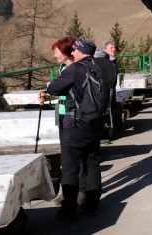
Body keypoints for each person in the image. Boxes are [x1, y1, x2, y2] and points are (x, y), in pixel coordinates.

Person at [46, 37, 104, 221]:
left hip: (75, 125)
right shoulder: (98, 67)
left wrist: (51, 86)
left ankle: (69, 210)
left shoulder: (74, 69)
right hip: (94, 123)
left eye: (74, 50)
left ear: (78, 51)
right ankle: (92, 205)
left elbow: (54, 88)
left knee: (70, 168)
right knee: (92, 164)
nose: (73, 52)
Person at [41, 37, 76, 205]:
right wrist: (47, 93)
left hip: (71, 114)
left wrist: (51, 88)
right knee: (66, 154)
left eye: (56, 52)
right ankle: (71, 192)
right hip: (62, 112)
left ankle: (72, 195)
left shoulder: (72, 68)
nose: (55, 56)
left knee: (70, 157)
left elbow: (60, 87)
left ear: (65, 51)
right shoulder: (63, 67)